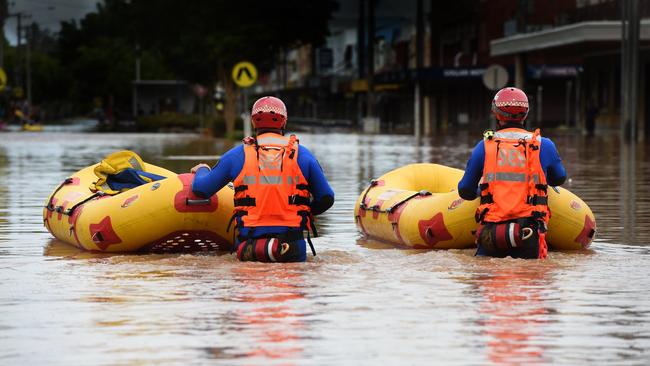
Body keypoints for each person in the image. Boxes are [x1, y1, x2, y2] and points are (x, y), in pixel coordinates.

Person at [191, 96, 335, 262]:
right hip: (292, 248)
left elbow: (201, 189)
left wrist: (202, 168)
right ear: (284, 122)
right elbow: (326, 198)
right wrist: (304, 211)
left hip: (249, 248)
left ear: (253, 122)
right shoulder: (303, 155)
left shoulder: (237, 155)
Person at [458, 87, 567, 259]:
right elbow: (559, 178)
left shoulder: (484, 146)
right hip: (529, 233)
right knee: (531, 280)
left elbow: (465, 190)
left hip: (492, 234)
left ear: (495, 113)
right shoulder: (543, 145)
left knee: (486, 278)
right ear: (526, 113)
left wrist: (483, 192)